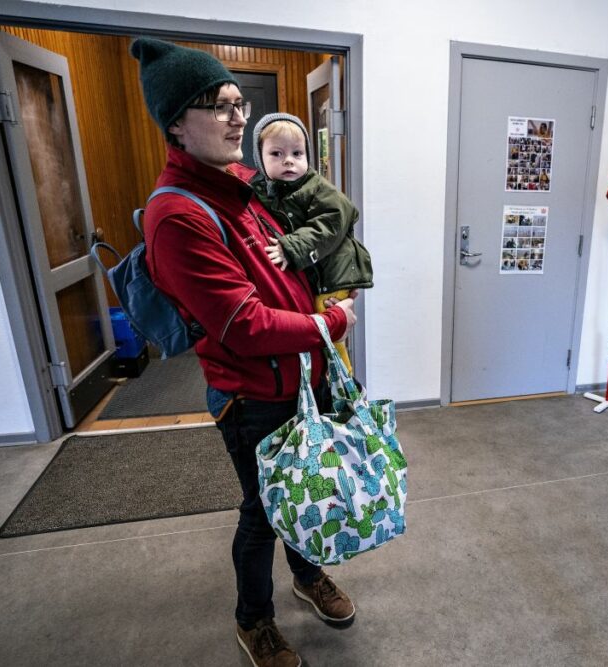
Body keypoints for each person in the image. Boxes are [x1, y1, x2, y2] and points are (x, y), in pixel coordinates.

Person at [130, 38, 358, 667]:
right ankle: (254, 621)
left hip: (301, 382)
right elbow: (247, 327)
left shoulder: (238, 186)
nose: (236, 116)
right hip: (253, 396)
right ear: (176, 125)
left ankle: (308, 577)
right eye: (215, 105)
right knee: (262, 512)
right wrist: (329, 323)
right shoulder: (179, 216)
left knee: (304, 487)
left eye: (236, 103)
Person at [251, 113, 373, 374]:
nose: (289, 161)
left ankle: (342, 380)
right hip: (317, 272)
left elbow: (335, 219)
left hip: (335, 273)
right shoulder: (263, 189)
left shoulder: (316, 187)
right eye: (276, 154)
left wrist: (291, 247)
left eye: (297, 153)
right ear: (259, 158)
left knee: (328, 323)